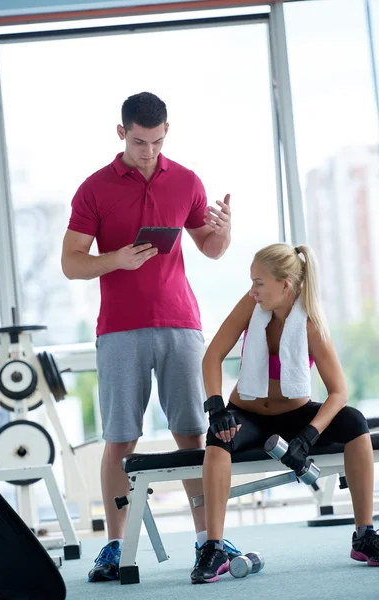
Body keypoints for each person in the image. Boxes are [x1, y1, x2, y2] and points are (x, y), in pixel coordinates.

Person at [61, 91, 241, 582]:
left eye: (158, 141)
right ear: (121, 134)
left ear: (167, 132)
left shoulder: (185, 180)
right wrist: (115, 259)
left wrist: (223, 231)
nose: (149, 152)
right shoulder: (93, 189)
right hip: (119, 330)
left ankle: (211, 540)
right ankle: (116, 546)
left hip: (181, 323)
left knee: (192, 433)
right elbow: (71, 261)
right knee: (121, 438)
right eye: (140, 142)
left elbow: (210, 247)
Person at [191, 242, 379, 584]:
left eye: (259, 282)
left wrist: (308, 436)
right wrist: (216, 407)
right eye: (252, 282)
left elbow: (338, 392)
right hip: (246, 414)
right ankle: (214, 548)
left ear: (285, 284)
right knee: (218, 437)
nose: (253, 290)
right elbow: (212, 355)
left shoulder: (310, 325)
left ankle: (364, 535)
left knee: (353, 421)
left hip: (294, 416)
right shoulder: (251, 306)